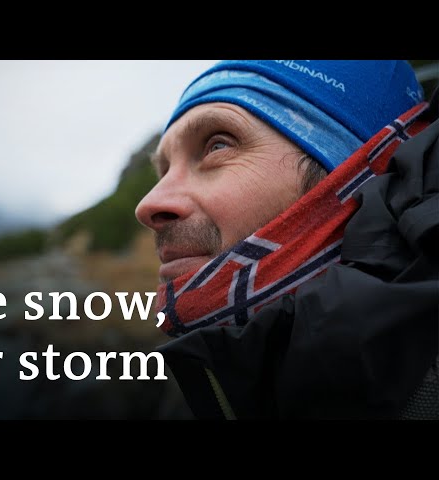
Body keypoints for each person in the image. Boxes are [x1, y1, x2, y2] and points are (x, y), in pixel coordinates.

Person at [135, 60, 439, 419]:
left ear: (354, 173)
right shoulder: (207, 384)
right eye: (165, 169)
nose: (148, 205)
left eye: (217, 146)